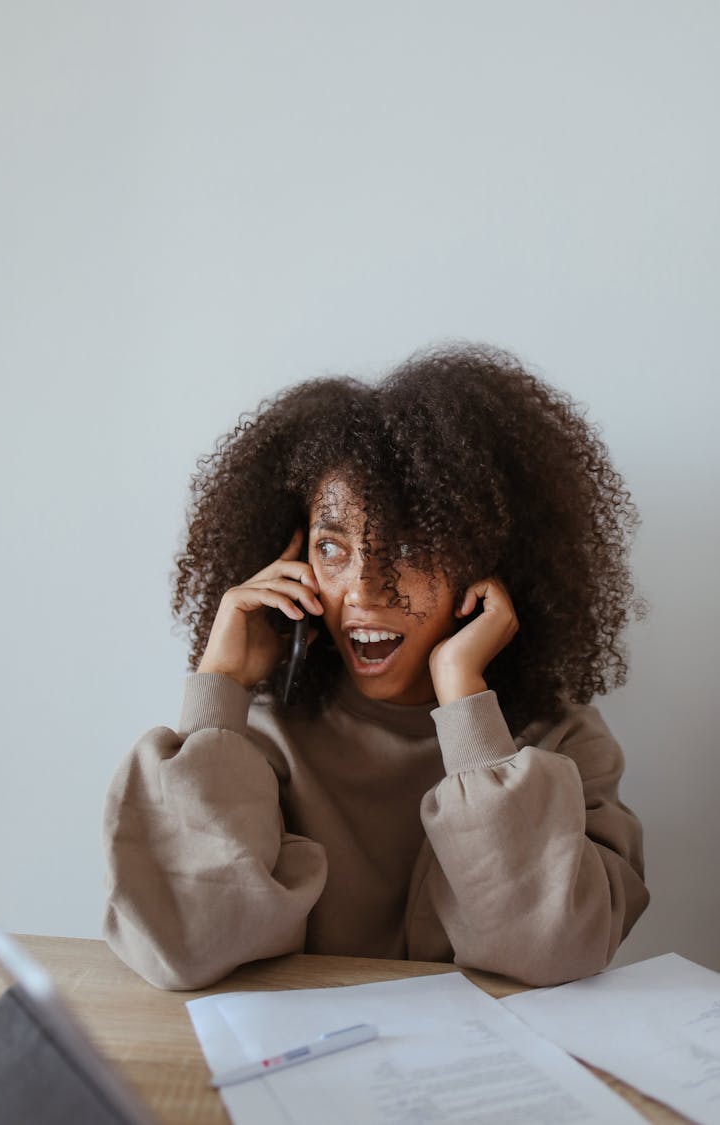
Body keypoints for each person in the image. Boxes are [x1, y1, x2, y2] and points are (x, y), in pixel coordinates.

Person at [102, 343, 649, 990]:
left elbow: (555, 951)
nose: (362, 590)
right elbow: (185, 944)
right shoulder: (265, 737)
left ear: (485, 562)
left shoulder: (561, 740)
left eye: (410, 546)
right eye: (333, 546)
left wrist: (465, 705)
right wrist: (218, 688)